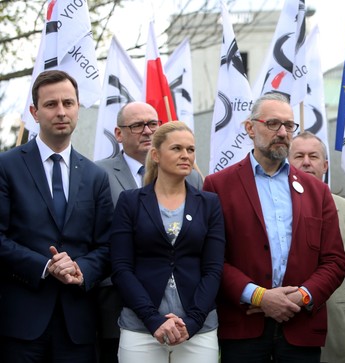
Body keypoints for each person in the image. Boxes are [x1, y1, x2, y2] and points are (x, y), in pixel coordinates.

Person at [203, 92, 345, 363]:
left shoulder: (317, 191)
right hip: (244, 327)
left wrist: (301, 297)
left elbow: (335, 260)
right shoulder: (218, 186)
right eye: (273, 124)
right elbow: (213, 259)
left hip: (301, 326)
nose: (282, 132)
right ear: (249, 128)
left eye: (289, 125)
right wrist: (259, 296)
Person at [0, 70, 114, 361]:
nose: (61, 111)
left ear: (78, 108)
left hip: (78, 326)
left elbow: (108, 246)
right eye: (51, 105)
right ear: (34, 112)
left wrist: (80, 269)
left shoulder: (95, 176)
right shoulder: (7, 167)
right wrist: (45, 266)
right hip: (20, 325)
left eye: (68, 103)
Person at [96, 101, 203, 363]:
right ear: (118, 134)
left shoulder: (192, 177)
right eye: (137, 125)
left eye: (153, 124)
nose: (147, 131)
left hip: (182, 306)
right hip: (116, 300)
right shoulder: (98, 173)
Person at [110, 121, 225, 362]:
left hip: (197, 330)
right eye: (177, 149)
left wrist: (192, 323)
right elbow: (121, 268)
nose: (186, 156)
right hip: (141, 328)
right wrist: (153, 320)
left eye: (191, 149)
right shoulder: (130, 202)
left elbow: (213, 269)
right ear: (156, 154)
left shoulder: (209, 203)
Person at [289, 131, 345, 363]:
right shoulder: (277, 208)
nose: (306, 162)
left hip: (335, 319)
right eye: (299, 156)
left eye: (313, 156)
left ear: (326, 164)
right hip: (287, 314)